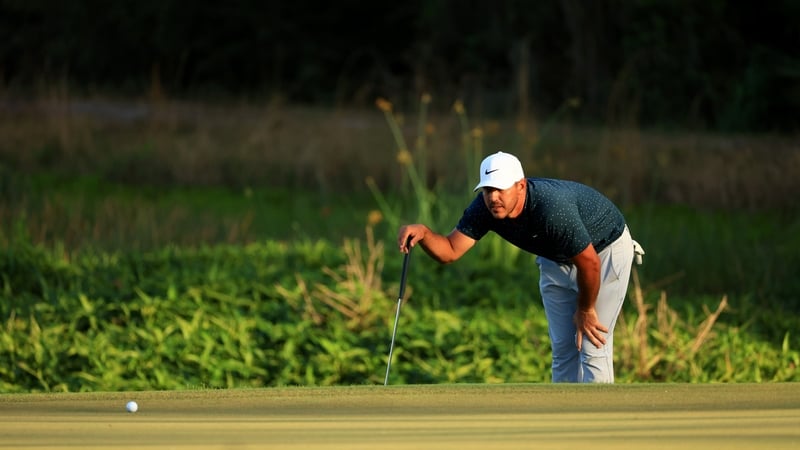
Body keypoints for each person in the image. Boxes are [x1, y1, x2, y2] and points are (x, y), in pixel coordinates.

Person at [397, 151, 643, 383]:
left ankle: (597, 421)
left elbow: (589, 263)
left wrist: (586, 309)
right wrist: (425, 233)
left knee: (592, 343)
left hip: (604, 250)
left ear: (521, 185)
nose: (493, 197)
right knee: (563, 348)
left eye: (500, 189)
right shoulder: (485, 208)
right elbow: (451, 250)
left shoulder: (551, 208)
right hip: (556, 254)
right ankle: (566, 421)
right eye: (487, 190)